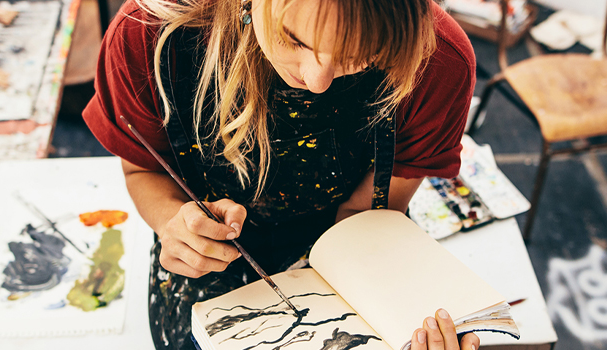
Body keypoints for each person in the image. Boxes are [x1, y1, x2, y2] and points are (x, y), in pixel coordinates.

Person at [83, 0, 476, 348]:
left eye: (359, 56)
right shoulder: (152, 32)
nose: (317, 81)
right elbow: (142, 168)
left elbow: (364, 213)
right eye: (294, 40)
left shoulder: (436, 60)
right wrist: (173, 220)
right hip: (204, 257)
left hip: (351, 245)